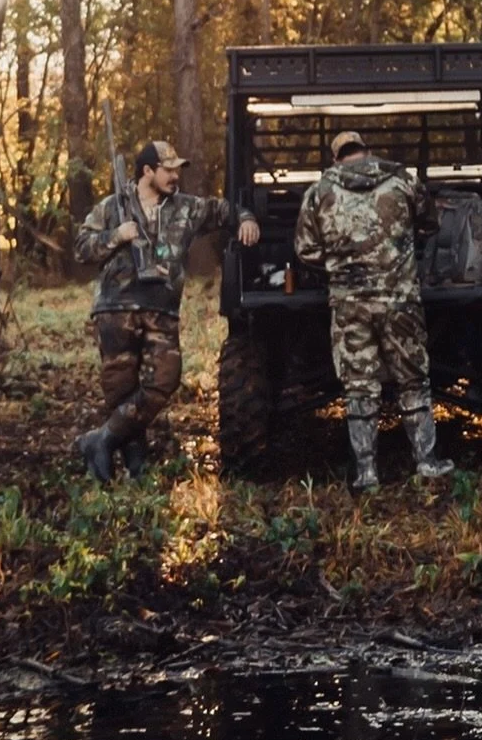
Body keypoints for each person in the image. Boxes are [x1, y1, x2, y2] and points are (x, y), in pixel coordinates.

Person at [74, 141, 260, 481]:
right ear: (148, 171)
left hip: (162, 309)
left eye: (177, 169)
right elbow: (82, 248)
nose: (175, 176)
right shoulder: (111, 207)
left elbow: (223, 210)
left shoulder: (187, 208)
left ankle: (100, 439)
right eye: (168, 169)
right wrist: (115, 236)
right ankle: (135, 470)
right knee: (121, 391)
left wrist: (246, 218)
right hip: (115, 308)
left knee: (165, 379)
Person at [293, 130, 454, 492]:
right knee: (413, 379)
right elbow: (429, 223)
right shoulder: (401, 180)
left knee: (359, 386)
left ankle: (366, 474)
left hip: (349, 303)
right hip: (398, 298)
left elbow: (305, 249)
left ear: (336, 158)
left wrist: (339, 263)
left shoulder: (319, 192)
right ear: (366, 151)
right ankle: (427, 462)